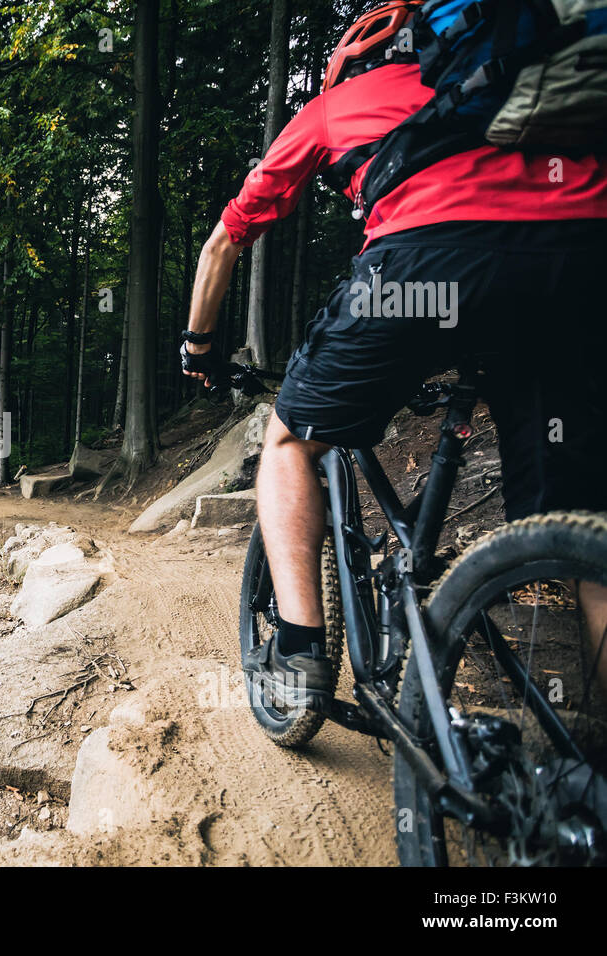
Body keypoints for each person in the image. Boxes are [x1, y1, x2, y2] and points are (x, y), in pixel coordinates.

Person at [181, 0, 607, 706]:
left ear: (345, 68)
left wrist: (198, 345)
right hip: (580, 263)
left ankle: (298, 657)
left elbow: (225, 240)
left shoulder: (333, 108)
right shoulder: (516, 86)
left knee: (290, 441)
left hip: (426, 268)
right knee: (583, 522)